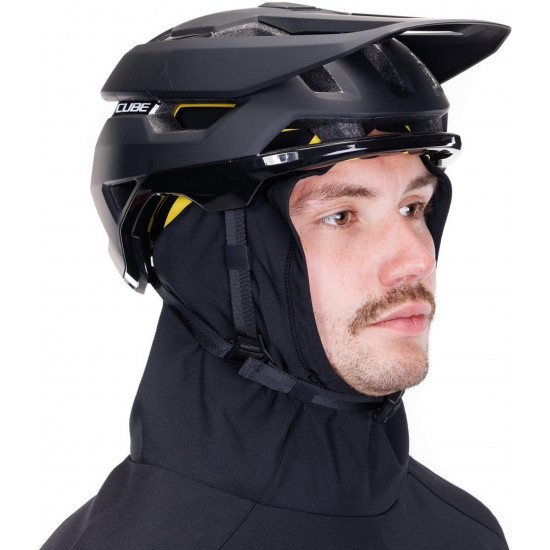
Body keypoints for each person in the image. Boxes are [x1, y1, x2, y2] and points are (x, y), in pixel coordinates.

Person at [41, 4, 511, 549]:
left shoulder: (466, 532)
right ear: (203, 256)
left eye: (413, 208)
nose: (416, 260)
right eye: (341, 217)